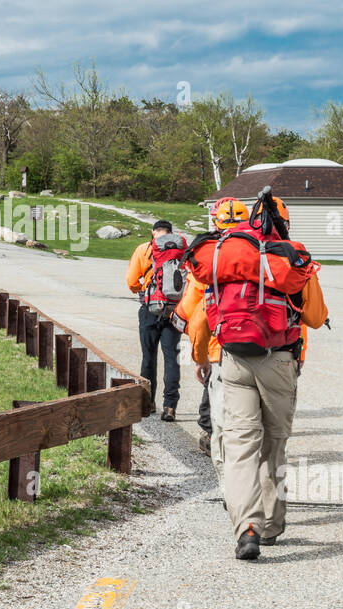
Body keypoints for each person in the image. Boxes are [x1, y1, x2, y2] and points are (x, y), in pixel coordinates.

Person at [181, 189, 328, 560]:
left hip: (232, 359)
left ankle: (246, 527)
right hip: (278, 361)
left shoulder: (226, 256)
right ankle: (272, 525)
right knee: (273, 445)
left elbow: (199, 317)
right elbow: (314, 316)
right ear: (285, 222)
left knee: (239, 446)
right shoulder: (290, 258)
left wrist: (202, 357)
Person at [180, 197, 249, 467]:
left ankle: (213, 438)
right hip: (263, 344)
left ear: (216, 221)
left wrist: (199, 355)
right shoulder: (263, 252)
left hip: (220, 343)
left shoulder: (210, 257)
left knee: (217, 395)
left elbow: (194, 310)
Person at [126, 219, 186, 421]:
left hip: (150, 309)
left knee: (148, 357)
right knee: (172, 359)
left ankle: (148, 402)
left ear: (153, 232)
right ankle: (170, 406)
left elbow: (131, 280)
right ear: (171, 232)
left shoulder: (145, 249)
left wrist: (143, 291)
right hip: (174, 311)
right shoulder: (180, 249)